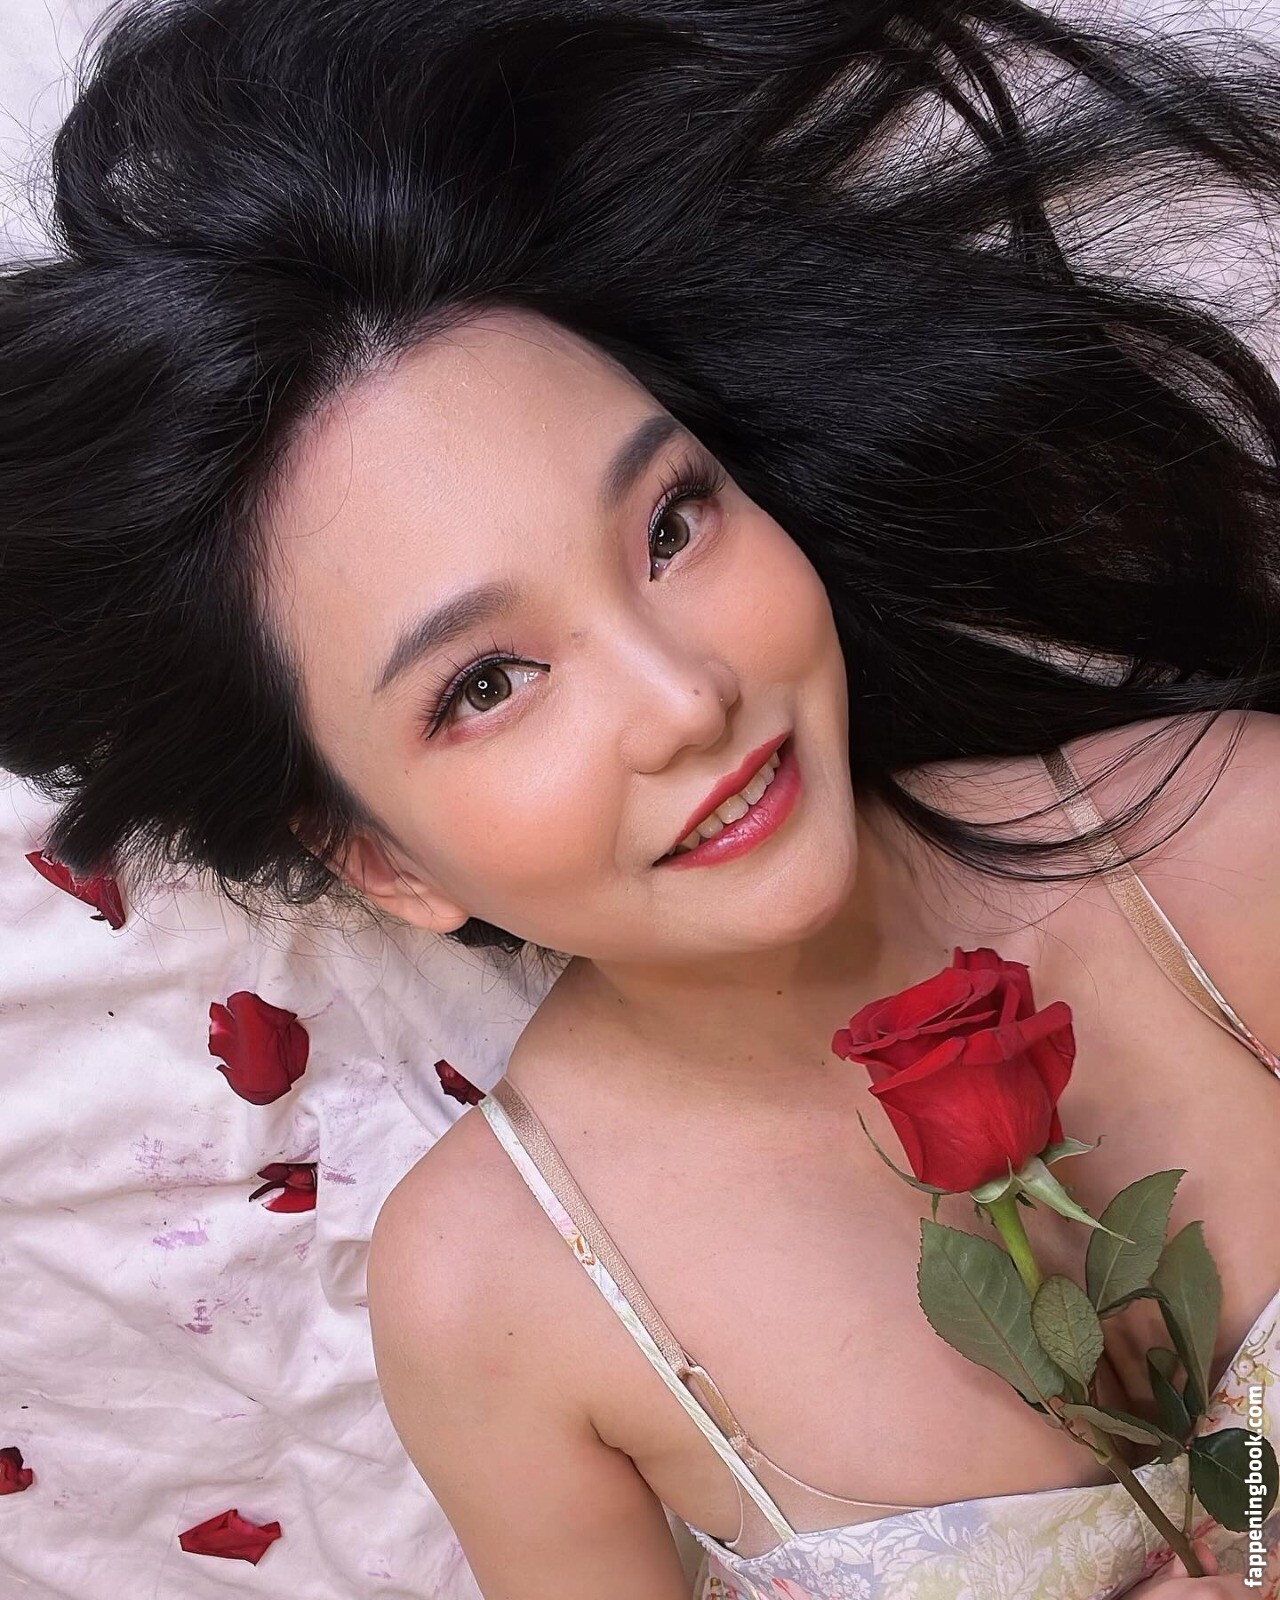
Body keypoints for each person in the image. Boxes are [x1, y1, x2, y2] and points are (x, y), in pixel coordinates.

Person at [2, 0, 1279, 1594]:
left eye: (672, 526)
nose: (686, 700)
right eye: (488, 683)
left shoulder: (1231, 845)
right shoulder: (500, 1301)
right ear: (383, 860)